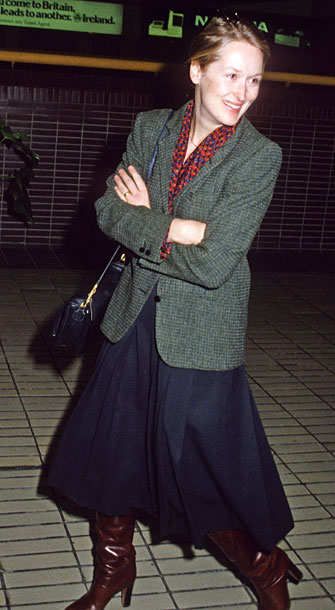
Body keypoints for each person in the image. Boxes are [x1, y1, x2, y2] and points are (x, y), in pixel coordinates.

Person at [48, 16, 303, 610]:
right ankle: (113, 573)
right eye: (231, 74)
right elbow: (109, 211)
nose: (242, 92)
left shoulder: (259, 157)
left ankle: (265, 571)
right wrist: (184, 228)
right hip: (132, 318)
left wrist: (153, 223)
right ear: (196, 71)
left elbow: (214, 265)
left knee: (198, 469)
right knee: (112, 452)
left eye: (256, 80)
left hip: (201, 332)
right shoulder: (152, 129)